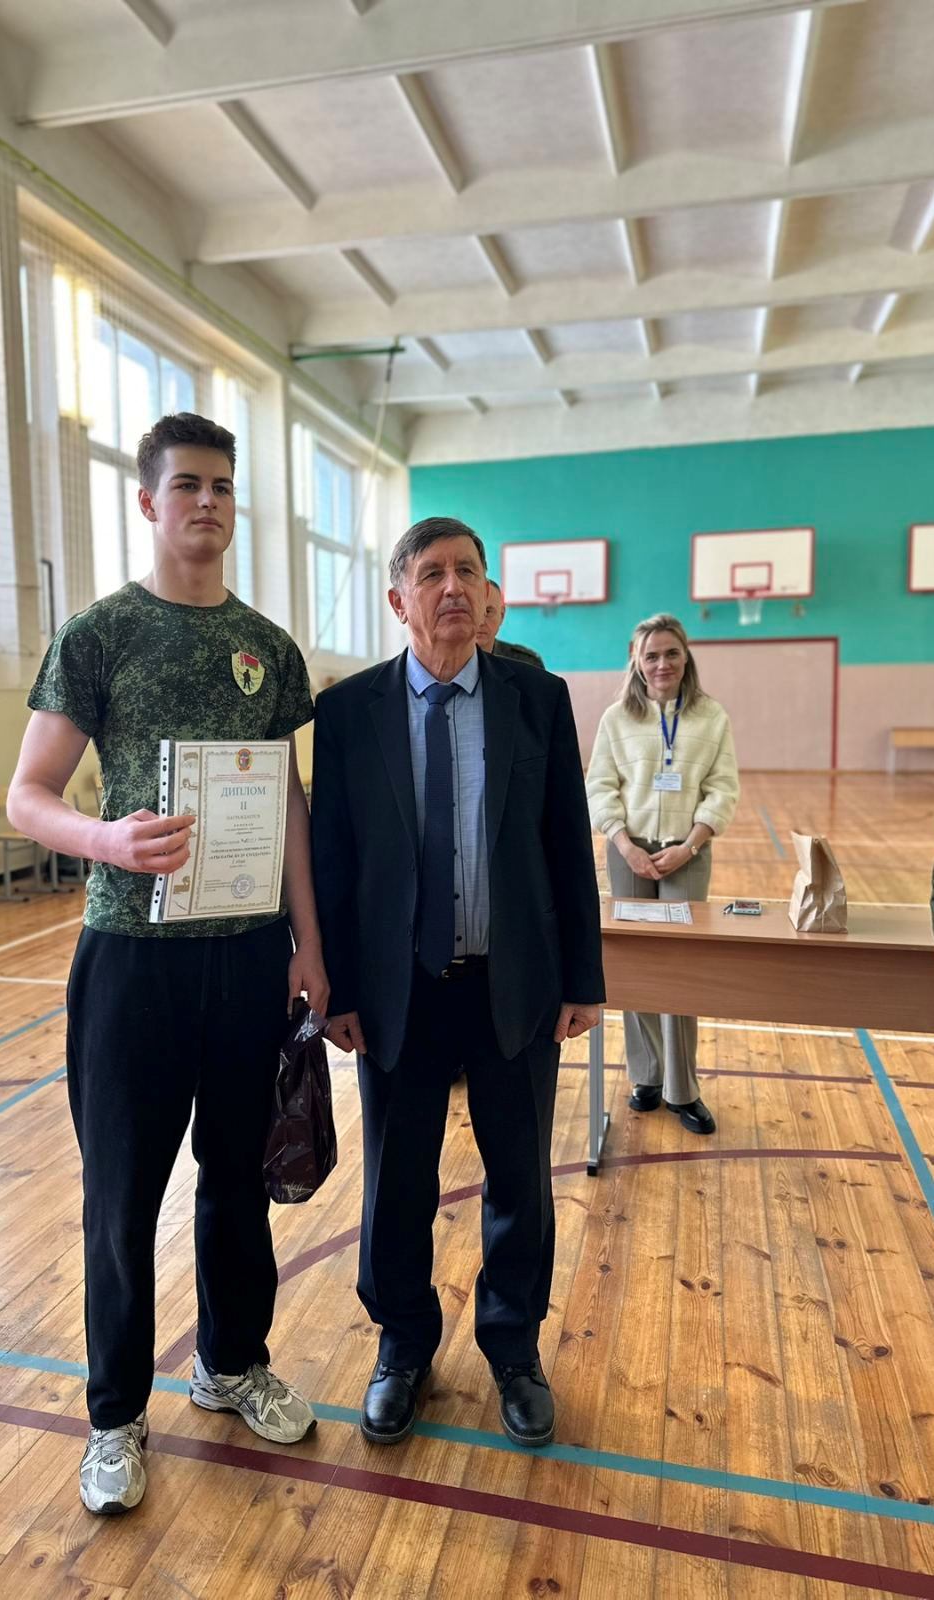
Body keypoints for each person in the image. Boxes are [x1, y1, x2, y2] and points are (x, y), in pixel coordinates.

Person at [7, 411, 329, 1517]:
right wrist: (106, 838)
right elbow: (27, 796)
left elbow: (287, 802)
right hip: (130, 965)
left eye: (222, 487)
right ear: (149, 502)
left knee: (237, 1181)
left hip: (247, 958)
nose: (206, 502)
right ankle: (114, 1416)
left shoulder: (268, 648)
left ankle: (230, 1365)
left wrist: (309, 941)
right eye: (186, 485)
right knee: (121, 1197)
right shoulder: (97, 634)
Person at [311, 516, 603, 1450]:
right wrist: (336, 990)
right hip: (398, 991)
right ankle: (402, 1346)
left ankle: (513, 1350)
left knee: (519, 1178)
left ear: (486, 595)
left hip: (511, 983)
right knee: (397, 1181)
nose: (452, 588)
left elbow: (567, 845)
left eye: (467, 572)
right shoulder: (347, 711)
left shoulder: (536, 699)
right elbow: (333, 859)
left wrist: (583, 978)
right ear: (397, 598)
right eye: (431, 573)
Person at [585, 612, 739, 1135]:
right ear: (637, 661)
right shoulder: (617, 719)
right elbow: (600, 786)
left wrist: (690, 844)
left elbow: (723, 788)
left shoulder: (710, 716)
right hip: (628, 853)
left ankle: (683, 1089)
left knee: (679, 968)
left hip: (686, 853)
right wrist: (623, 843)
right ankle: (646, 1075)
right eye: (651, 655)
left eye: (671, 653)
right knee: (637, 964)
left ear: (685, 656)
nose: (662, 664)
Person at [476, 578, 545, 668]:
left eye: (488, 612)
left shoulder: (527, 663)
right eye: (473, 612)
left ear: (502, 616)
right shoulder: (455, 664)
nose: (480, 622)